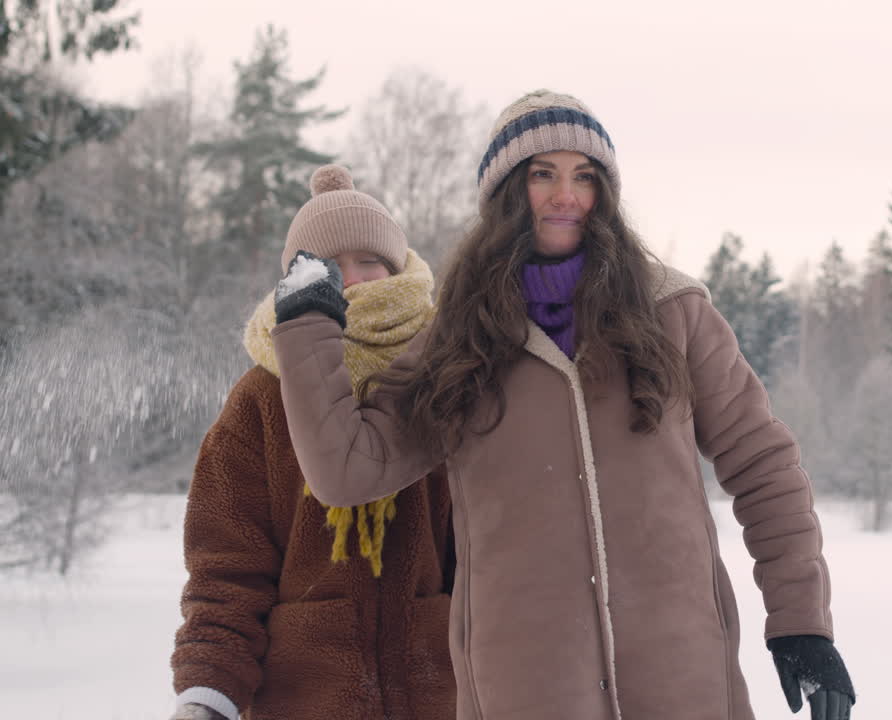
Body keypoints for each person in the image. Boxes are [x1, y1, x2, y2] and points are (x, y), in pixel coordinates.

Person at [270, 90, 855, 720]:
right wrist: (308, 327)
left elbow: (764, 464)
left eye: (584, 176)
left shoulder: (675, 314)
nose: (565, 195)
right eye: (541, 175)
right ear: (505, 195)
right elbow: (348, 469)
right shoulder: (458, 339)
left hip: (683, 684)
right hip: (524, 689)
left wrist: (801, 622)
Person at [169, 166, 455, 720]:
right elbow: (226, 572)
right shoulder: (260, 399)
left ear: (400, 265)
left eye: (370, 260)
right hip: (301, 702)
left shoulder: (448, 380)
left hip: (441, 696)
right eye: (330, 267)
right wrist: (207, 696)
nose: (355, 281)